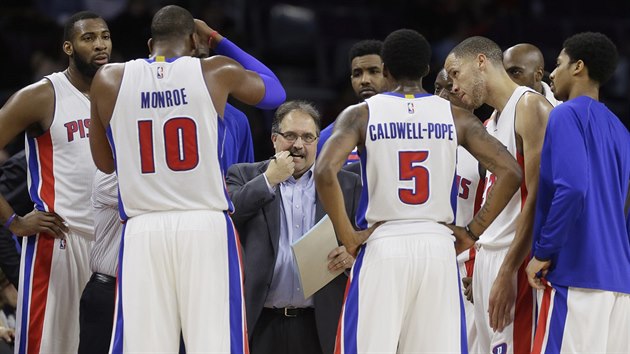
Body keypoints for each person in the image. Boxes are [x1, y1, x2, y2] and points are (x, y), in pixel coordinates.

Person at [89, 5, 285, 353]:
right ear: (195, 41)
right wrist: (219, 40)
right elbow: (276, 93)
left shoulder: (108, 79)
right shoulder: (215, 71)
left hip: (143, 229)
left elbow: (105, 164)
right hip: (204, 226)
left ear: (151, 44)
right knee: (214, 344)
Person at [315, 29, 522, 353]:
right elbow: (511, 171)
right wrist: (472, 231)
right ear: (428, 69)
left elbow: (324, 171)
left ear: (385, 70)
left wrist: (349, 235)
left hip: (384, 242)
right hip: (438, 247)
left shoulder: (362, 114)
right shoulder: (457, 117)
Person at [0, 11, 112, 354]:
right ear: (68, 47)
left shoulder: (119, 91)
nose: (100, 45)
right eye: (88, 38)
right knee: (47, 347)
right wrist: (12, 221)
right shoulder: (42, 95)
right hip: (60, 240)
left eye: (104, 36)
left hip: (110, 243)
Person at [445, 36, 553, 354]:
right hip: (487, 257)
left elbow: (537, 197)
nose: (452, 86)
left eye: (455, 73)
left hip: (515, 259)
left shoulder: (530, 106)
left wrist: (507, 270)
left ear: (481, 61)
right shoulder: (491, 121)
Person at [227, 100, 361, 354]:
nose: (298, 145)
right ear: (274, 139)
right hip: (261, 321)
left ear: (318, 142)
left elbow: (366, 239)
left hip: (319, 324)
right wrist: (269, 180)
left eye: (308, 137)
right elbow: (229, 215)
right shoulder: (244, 175)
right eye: (290, 136)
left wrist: (353, 254)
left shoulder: (347, 184)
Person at [525, 32, 630, 353]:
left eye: (558, 63)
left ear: (578, 67)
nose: (551, 73)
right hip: (619, 282)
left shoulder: (565, 114)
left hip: (575, 274)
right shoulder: (621, 129)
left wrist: (543, 252)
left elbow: (572, 189)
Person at [434, 67, 483, 354]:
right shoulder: (419, 141)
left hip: (465, 267)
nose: (442, 95)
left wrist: (487, 269)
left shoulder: (486, 145)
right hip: (427, 259)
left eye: (450, 89)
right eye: (437, 88)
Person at [317, 40, 391, 167]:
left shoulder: (415, 128)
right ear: (351, 80)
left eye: (373, 71)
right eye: (357, 74)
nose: (364, 80)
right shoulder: (327, 138)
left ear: (389, 74)